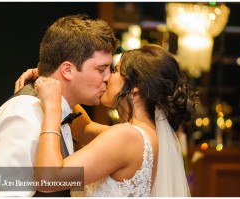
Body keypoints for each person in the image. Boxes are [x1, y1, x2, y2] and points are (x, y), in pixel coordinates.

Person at [21, 44, 197, 196]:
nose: (106, 78)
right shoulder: (151, 136)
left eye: (115, 70)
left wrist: (52, 107)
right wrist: (54, 79)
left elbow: (48, 178)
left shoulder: (127, 136)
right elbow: (84, 129)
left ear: (135, 87)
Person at [0, 14, 119, 197]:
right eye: (101, 69)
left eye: (111, 69)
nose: (108, 77)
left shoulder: (62, 111)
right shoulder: (27, 116)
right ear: (67, 70)